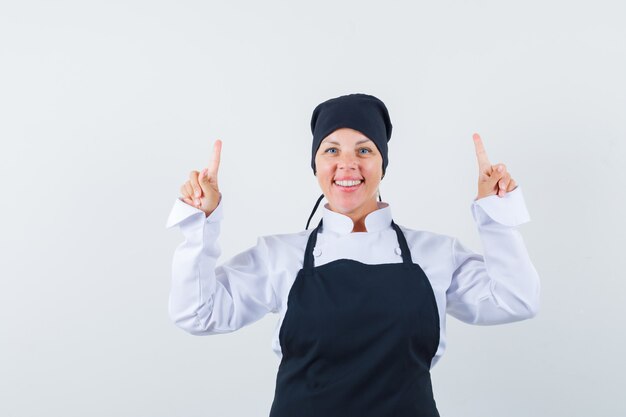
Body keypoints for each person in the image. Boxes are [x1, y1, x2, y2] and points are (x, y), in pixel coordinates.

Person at [165, 93, 540, 416]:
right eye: (331, 150)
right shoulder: (281, 255)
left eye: (364, 150)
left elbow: (516, 301)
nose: (348, 164)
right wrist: (201, 222)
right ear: (316, 165)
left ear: (382, 164)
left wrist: (496, 216)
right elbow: (197, 314)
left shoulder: (435, 254)